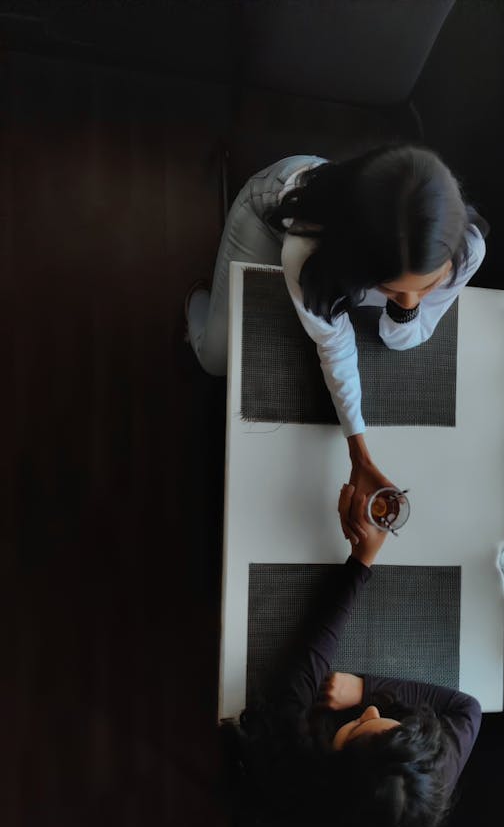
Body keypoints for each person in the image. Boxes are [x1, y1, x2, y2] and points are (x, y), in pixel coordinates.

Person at [186, 146, 488, 544]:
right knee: (214, 359)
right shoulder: (305, 249)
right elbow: (334, 346)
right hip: (271, 215)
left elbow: (403, 340)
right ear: (360, 271)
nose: (419, 295)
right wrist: (358, 453)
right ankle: (198, 303)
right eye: (394, 289)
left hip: (361, 228)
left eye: (430, 283)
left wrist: (406, 302)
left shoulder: (466, 250)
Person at [222, 483, 482, 827]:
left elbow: (306, 662)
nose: (372, 710)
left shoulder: (296, 771)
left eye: (360, 726)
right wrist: (364, 688)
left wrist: (361, 563)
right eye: (390, 722)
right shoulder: (433, 767)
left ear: (333, 767)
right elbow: (467, 707)